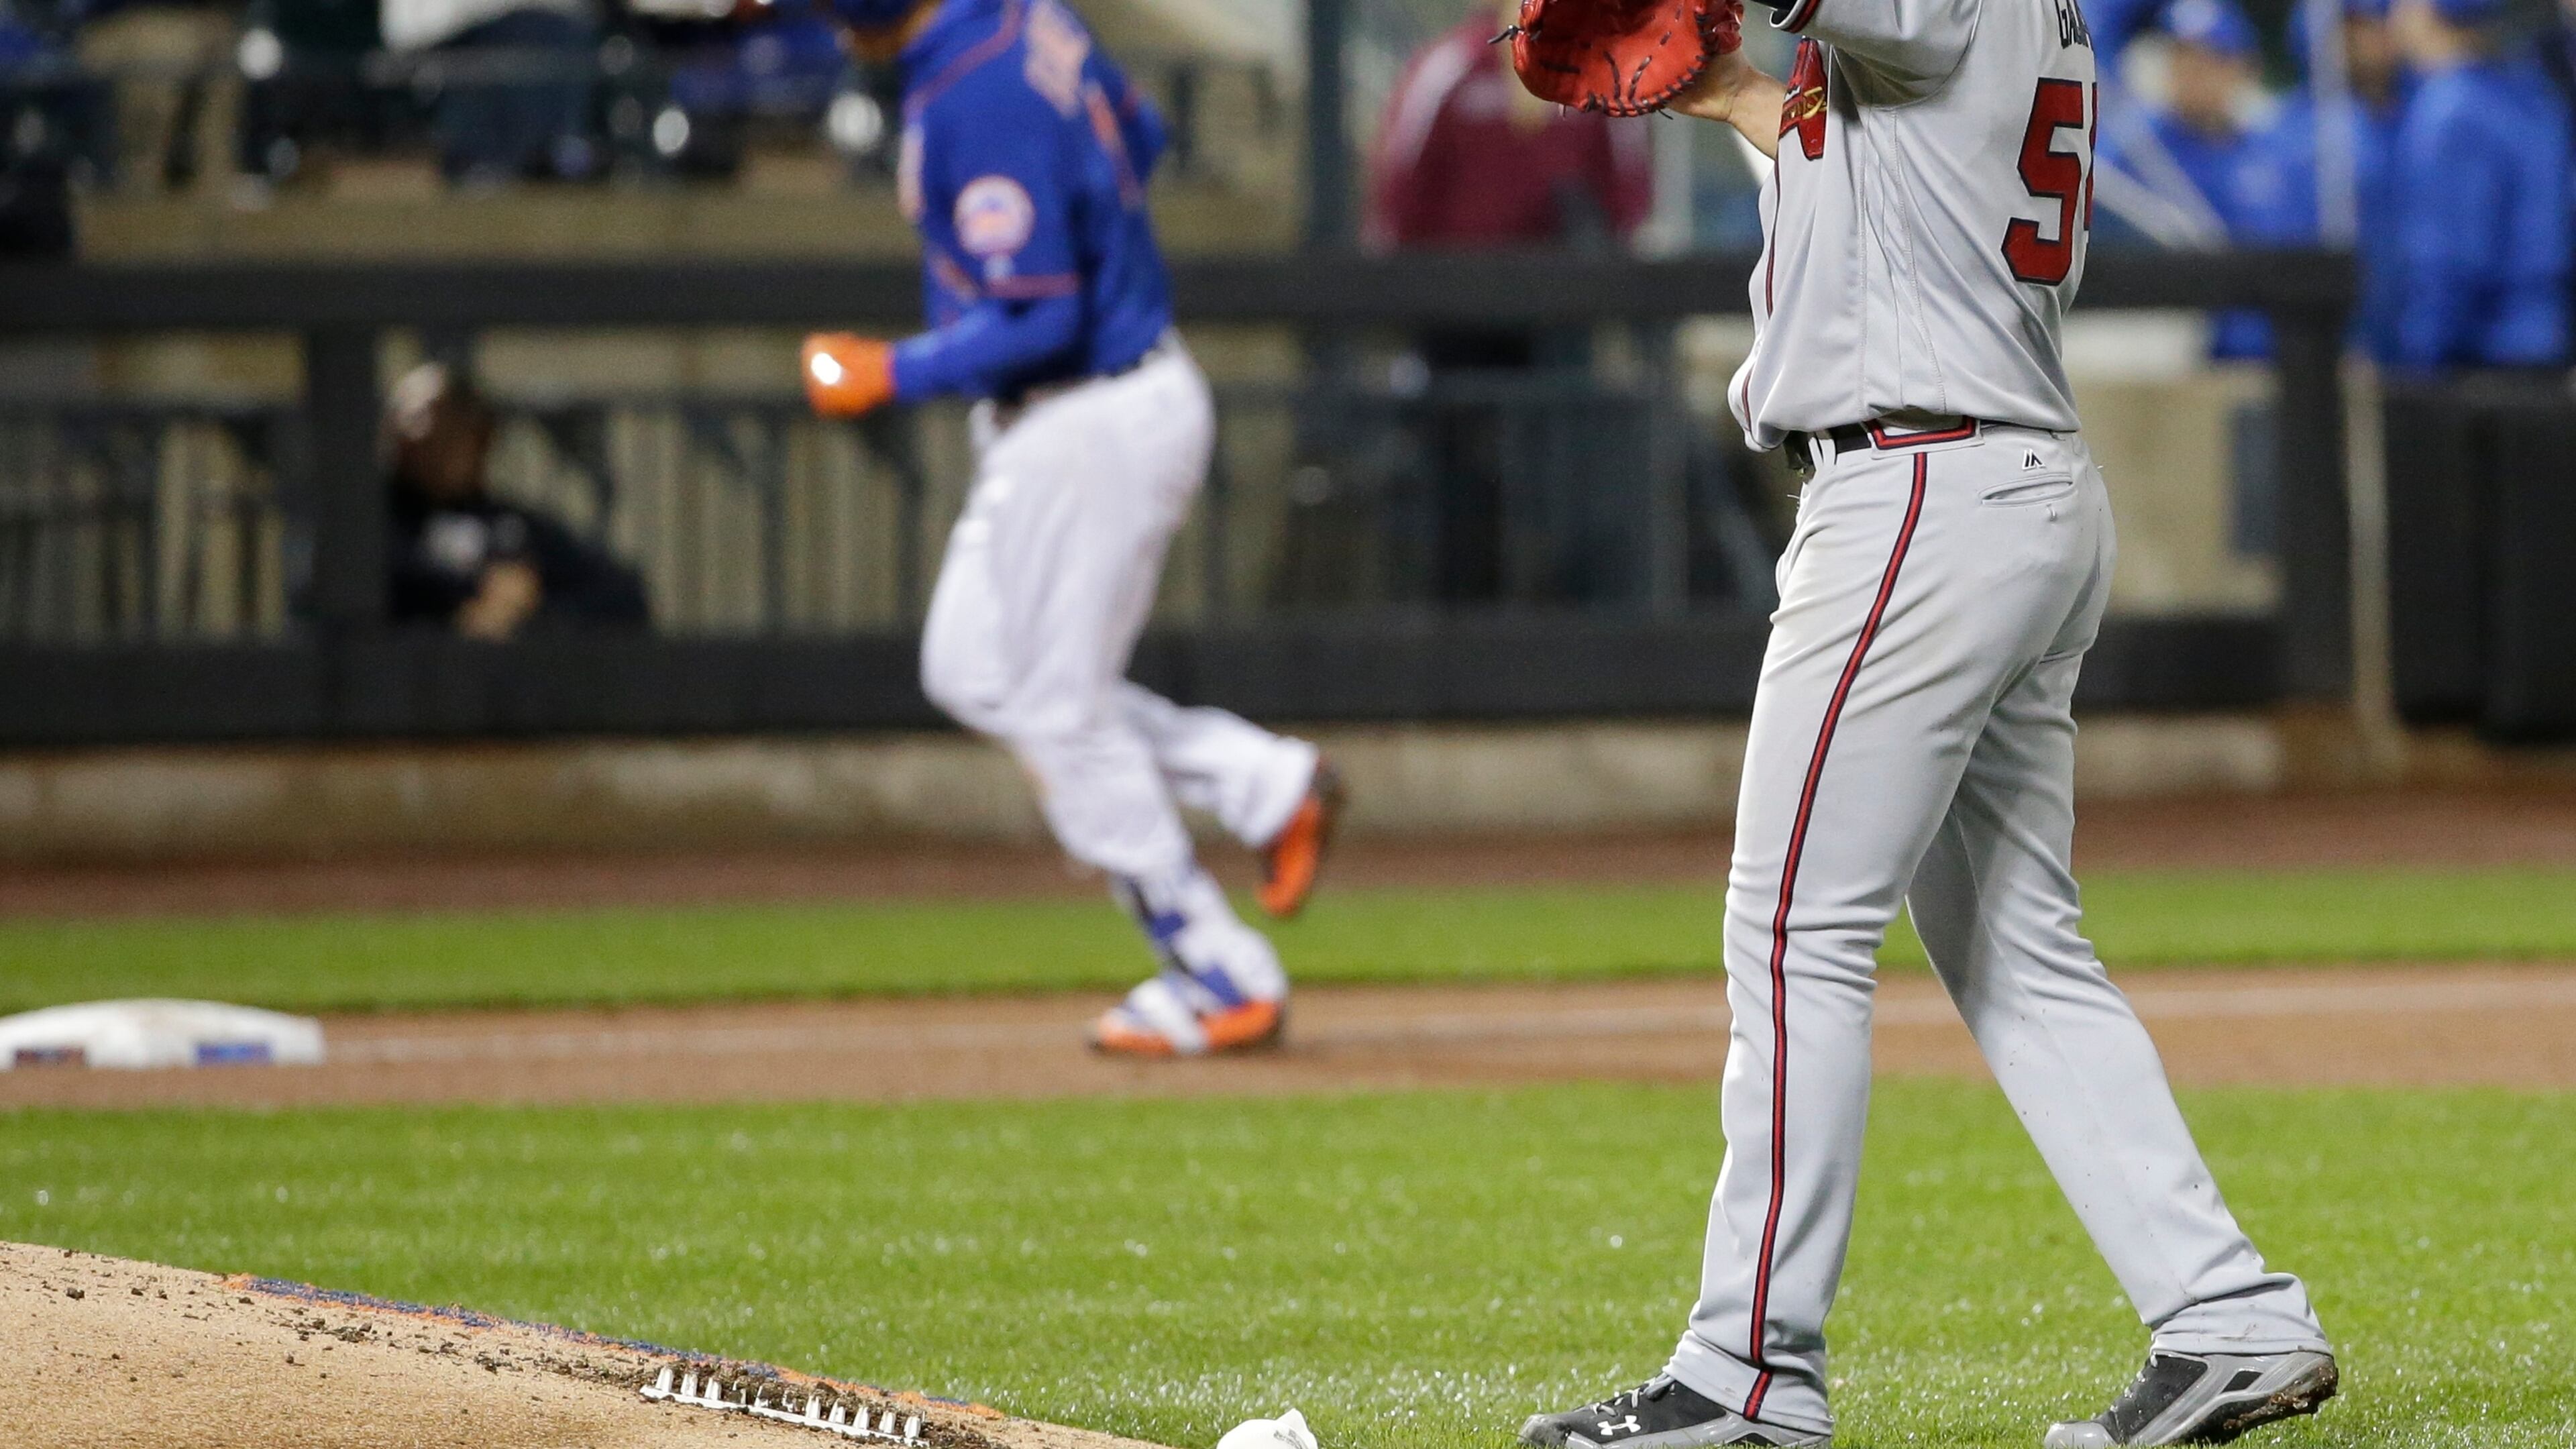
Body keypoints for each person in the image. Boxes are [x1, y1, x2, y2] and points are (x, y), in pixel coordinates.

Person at [1512, 0, 2336, 1443]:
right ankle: (2230, 1318)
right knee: (2018, 947)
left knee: (1792, 929)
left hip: (1922, 488)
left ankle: (1746, 1376)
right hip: (1999, 482)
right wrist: (1737, 101)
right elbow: (1884, 176)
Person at [797, 0, 1342, 1057]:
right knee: (973, 667)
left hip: (1087, 416)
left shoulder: (973, 89)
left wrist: (884, 371)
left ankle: (1217, 969)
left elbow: (1043, 317)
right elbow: (1140, 133)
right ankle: (1262, 781)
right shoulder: (1013, 15)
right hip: (1093, 407)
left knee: (1056, 706)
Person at [383, 362, 650, 637]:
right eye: (410, 421)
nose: (423, 437)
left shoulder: (514, 526)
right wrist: (471, 594)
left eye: (447, 426)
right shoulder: (376, 525)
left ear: (481, 439)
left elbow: (620, 594)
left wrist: (527, 610)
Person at [2100, 0, 2295, 357]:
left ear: (2241, 67)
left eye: (2209, 60)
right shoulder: (2136, 150)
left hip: (2263, 352)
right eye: (2182, 57)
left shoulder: (2269, 153)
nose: (2192, 73)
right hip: (2168, 355)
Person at [2384, 0, 2571, 370]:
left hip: (2479, 357)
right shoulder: (2532, 96)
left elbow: (2450, 259)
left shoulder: (2449, 107)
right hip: (2547, 340)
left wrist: (2420, 358)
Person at [2252, 0, 2410, 359]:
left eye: (2373, 25)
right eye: (2352, 29)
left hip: (2408, 346)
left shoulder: (2412, 119)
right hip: (2324, 346)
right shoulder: (2294, 135)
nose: (2368, 40)